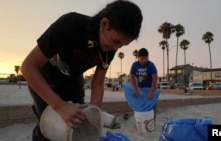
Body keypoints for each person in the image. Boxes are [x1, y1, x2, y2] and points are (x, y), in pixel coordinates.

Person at [20, 0, 143, 140]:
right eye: (116, 42)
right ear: (104, 24)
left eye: (122, 45)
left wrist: (95, 118)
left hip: (73, 79)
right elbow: (28, 67)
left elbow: (97, 83)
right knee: (51, 126)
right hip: (44, 76)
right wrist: (60, 106)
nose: (116, 49)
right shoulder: (70, 24)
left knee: (80, 124)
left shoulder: (110, 48)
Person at [129, 48, 158, 123]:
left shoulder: (151, 65)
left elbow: (155, 78)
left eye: (146, 58)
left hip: (150, 87)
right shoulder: (135, 65)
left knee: (152, 105)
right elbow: (132, 77)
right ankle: (140, 121)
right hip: (140, 88)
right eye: (142, 58)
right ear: (138, 57)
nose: (144, 60)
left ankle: (152, 122)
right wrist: (135, 89)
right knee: (140, 105)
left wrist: (151, 91)